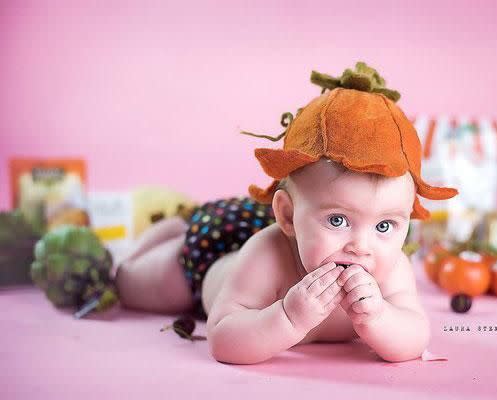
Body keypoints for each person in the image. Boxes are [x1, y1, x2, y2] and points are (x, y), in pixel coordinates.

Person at [114, 63, 458, 364]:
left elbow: (414, 336)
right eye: (338, 220)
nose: (361, 246)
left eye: (385, 225)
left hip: (276, 221)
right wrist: (288, 317)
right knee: (129, 284)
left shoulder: (391, 269)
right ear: (288, 217)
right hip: (213, 250)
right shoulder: (266, 255)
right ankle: (165, 232)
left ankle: (177, 220)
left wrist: (380, 319)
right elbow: (222, 338)